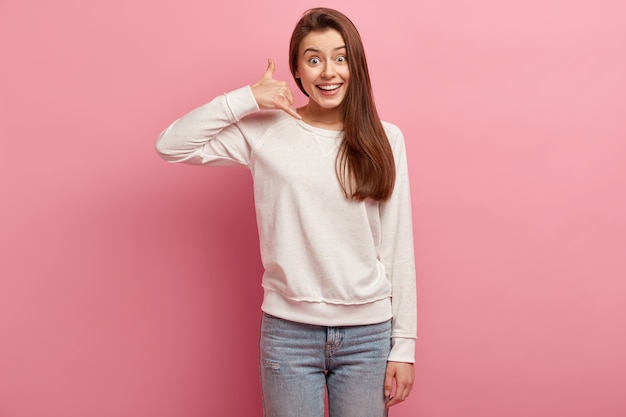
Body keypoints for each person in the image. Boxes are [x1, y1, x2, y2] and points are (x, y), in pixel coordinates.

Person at [155, 7, 416, 417]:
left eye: (340, 57)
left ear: (356, 65)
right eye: (314, 59)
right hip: (289, 334)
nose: (328, 72)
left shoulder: (386, 138)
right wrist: (246, 98)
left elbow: (398, 245)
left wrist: (405, 346)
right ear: (296, 69)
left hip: (369, 334)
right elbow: (171, 145)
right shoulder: (266, 131)